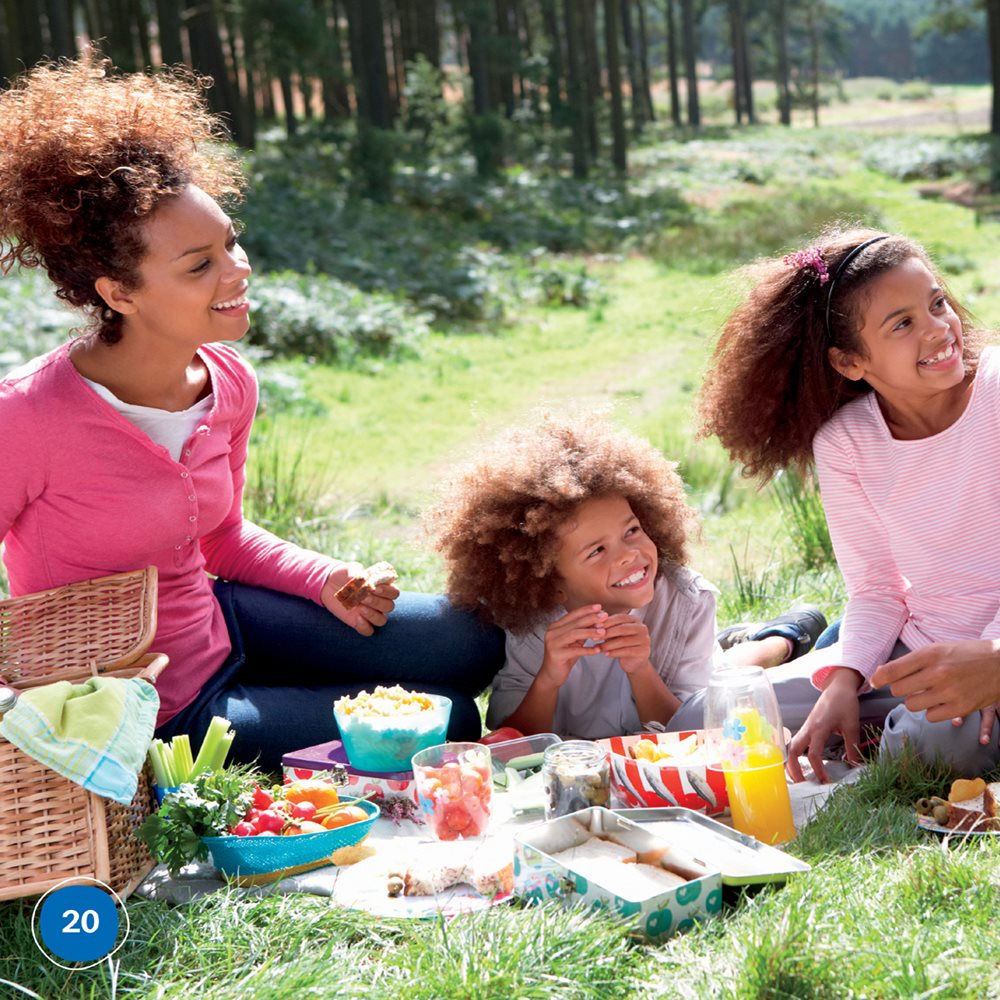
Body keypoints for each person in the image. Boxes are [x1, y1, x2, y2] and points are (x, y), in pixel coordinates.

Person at [0, 54, 503, 772]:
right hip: (159, 707)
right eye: (199, 264)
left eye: (230, 242)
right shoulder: (26, 420)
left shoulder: (228, 381)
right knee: (449, 715)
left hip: (224, 617)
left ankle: (292, 689)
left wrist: (327, 579)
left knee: (474, 642)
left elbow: (223, 537)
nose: (238, 270)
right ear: (120, 293)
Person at [699, 227, 1000, 781]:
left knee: (932, 751)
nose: (939, 329)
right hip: (914, 650)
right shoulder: (845, 443)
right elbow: (878, 588)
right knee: (708, 717)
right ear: (849, 362)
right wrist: (843, 682)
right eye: (903, 324)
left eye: (937, 304)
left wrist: (993, 661)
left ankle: (891, 729)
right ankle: (805, 654)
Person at [428, 414, 826, 740]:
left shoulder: (687, 601)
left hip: (688, 700)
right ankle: (765, 637)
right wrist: (549, 676)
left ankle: (781, 639)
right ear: (550, 579)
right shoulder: (533, 619)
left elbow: (693, 729)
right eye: (597, 550)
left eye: (632, 530)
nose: (629, 555)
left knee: (729, 684)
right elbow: (510, 734)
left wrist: (641, 669)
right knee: (723, 669)